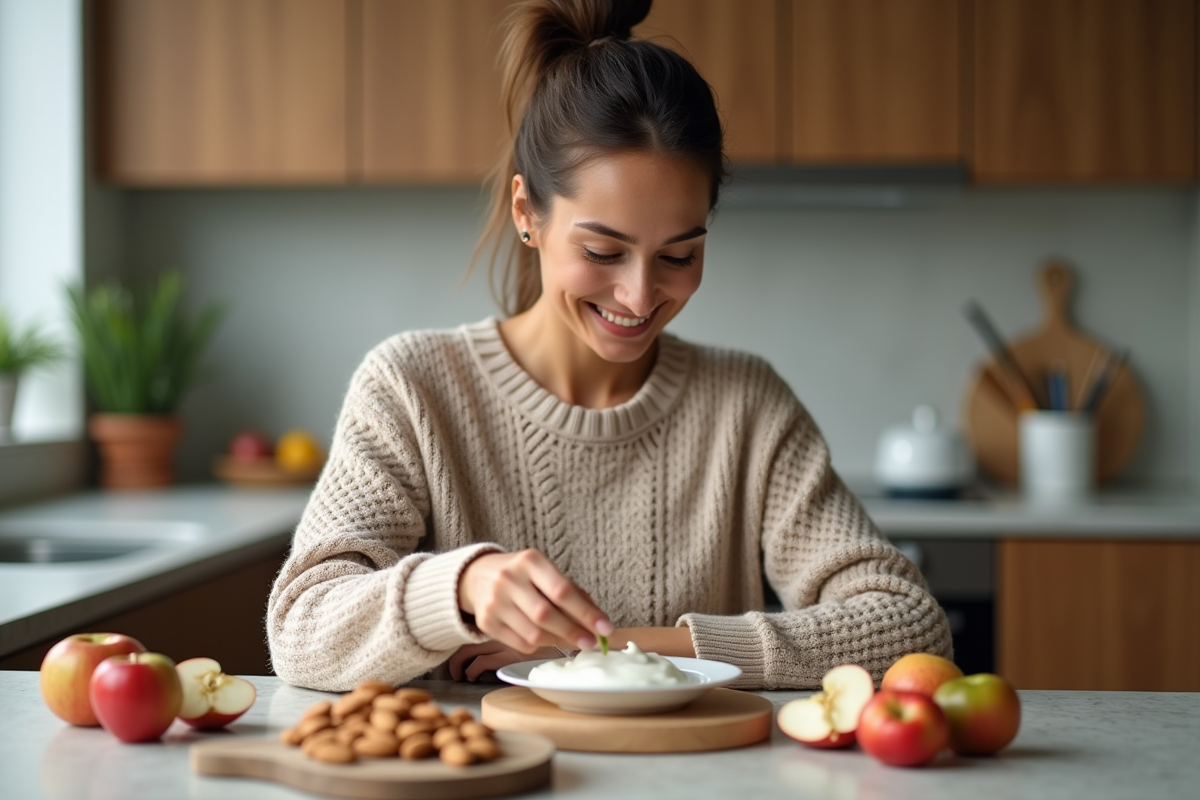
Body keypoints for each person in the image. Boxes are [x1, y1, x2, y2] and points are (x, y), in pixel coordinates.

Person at [266, 0, 952, 692]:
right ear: (527, 214)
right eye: (603, 251)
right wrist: (461, 587)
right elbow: (301, 630)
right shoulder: (411, 388)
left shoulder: (746, 408)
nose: (639, 295)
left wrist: (617, 649)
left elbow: (909, 627)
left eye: (679, 255)